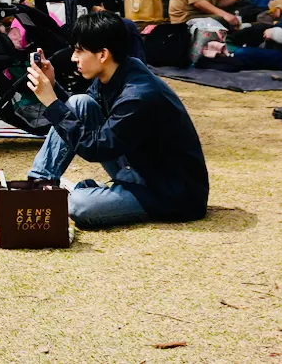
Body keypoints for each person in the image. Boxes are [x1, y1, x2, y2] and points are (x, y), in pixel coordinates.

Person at [18, 11, 208, 228]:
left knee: (79, 206)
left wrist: (51, 103)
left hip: (168, 191)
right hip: (137, 166)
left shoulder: (139, 95)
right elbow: (79, 118)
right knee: (79, 103)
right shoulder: (116, 72)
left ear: (103, 54)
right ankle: (38, 185)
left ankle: (91, 192)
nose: (73, 58)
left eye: (79, 50)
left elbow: (96, 148)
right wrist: (54, 88)